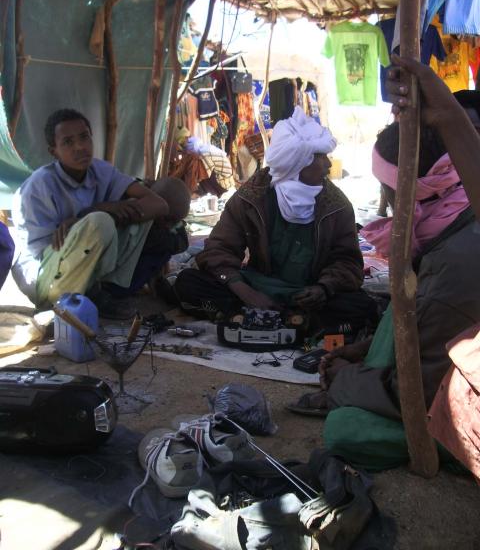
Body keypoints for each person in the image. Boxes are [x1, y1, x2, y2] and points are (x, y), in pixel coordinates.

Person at [288, 55, 480, 472]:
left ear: (402, 191)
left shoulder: (453, 263)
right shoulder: (455, 222)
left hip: (458, 396)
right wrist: (365, 351)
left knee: (345, 428)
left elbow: (417, 394)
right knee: (397, 301)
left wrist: (344, 379)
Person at [175, 98, 376, 331]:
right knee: (188, 283)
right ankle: (291, 321)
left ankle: (251, 317)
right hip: (256, 287)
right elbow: (219, 250)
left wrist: (323, 288)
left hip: (307, 294)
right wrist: (244, 290)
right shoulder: (251, 198)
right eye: (321, 157)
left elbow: (348, 262)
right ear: (298, 163)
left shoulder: (336, 206)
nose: (328, 165)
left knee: (363, 307)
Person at [12, 108, 191, 318]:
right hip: (45, 277)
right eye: (68, 142)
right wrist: (92, 219)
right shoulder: (38, 187)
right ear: (54, 151)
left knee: (141, 216)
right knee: (101, 222)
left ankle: (101, 293)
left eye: (84, 137)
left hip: (85, 266)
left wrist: (96, 210)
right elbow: (40, 254)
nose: (80, 147)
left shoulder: (100, 170)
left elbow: (159, 205)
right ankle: (77, 299)